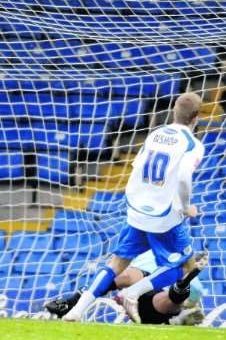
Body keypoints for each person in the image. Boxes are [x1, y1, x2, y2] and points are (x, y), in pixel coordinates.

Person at [62, 93, 205, 322]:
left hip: (137, 210)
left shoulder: (156, 134)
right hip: (164, 217)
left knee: (116, 263)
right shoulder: (193, 144)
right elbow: (183, 177)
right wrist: (187, 207)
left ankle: (77, 310)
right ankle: (132, 293)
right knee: (186, 267)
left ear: (173, 112)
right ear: (196, 117)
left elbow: (136, 166)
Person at [45, 250, 207, 325]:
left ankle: (182, 289)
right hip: (135, 288)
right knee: (125, 274)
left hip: (154, 308)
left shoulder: (197, 287)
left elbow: (186, 304)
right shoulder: (151, 254)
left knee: (166, 300)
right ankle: (72, 302)